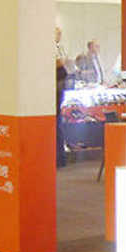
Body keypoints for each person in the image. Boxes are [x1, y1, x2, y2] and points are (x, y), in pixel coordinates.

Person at [55, 27, 69, 167]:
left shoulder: (59, 47)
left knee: (57, 122)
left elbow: (63, 61)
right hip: (56, 88)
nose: (59, 35)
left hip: (59, 88)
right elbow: (60, 62)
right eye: (57, 33)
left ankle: (60, 157)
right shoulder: (52, 48)